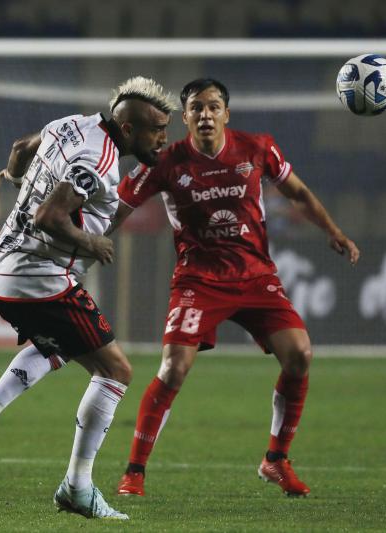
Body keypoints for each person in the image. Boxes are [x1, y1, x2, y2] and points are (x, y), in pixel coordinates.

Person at [114, 78, 360, 497]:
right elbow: (118, 208)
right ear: (184, 117)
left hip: (255, 276)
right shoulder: (165, 162)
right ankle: (134, 472)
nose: (205, 115)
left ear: (226, 114)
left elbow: (298, 193)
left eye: (213, 107)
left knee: (299, 355)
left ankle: (276, 460)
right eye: (196, 108)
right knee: (174, 368)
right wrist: (84, 241)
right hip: (199, 279)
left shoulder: (258, 148)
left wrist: (333, 231)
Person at [0, 77, 174, 520]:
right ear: (128, 129)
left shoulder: (71, 124)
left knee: (58, 347)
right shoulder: (98, 160)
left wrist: (18, 180)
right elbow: (49, 215)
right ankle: (77, 486)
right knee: (116, 371)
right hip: (39, 278)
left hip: (5, 267)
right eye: (157, 129)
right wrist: (91, 243)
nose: (163, 138)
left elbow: (19, 149)